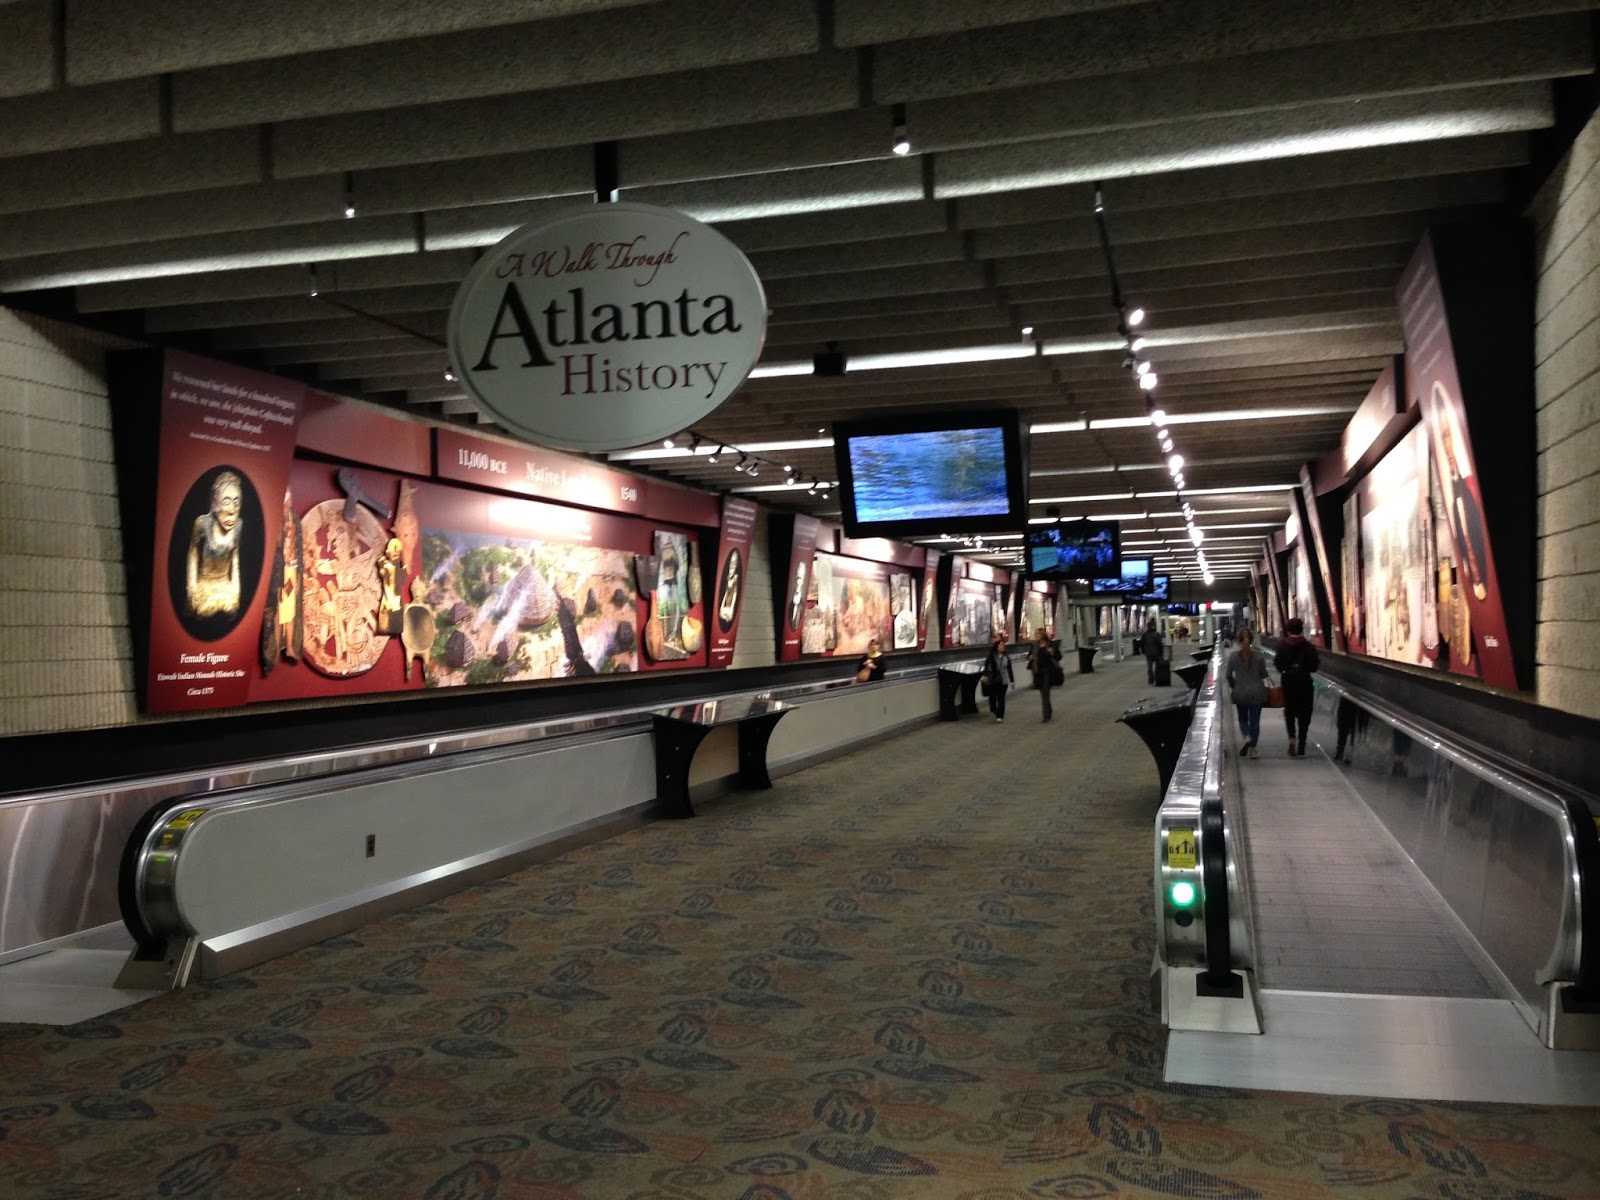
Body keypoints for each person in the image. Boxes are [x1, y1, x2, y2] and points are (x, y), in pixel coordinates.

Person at [1274, 617, 1321, 757]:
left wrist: (1285, 669)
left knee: (1289, 711)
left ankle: (1292, 738)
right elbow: (1314, 666)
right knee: (1304, 713)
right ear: (1301, 629)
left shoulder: (1282, 645)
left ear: (1288, 630)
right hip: (1304, 681)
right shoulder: (1308, 646)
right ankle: (1302, 745)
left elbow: (1278, 663)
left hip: (1288, 681)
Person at [1224, 629, 1269, 759]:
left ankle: (1246, 736)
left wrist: (1234, 685)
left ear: (1238, 641)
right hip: (1257, 692)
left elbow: (1228, 675)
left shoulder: (1233, 657)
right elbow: (1263, 674)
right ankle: (1254, 749)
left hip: (1240, 692)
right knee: (1255, 721)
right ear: (1252, 640)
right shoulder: (1259, 656)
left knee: (1243, 718)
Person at [1027, 628, 1063, 722]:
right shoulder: (1034, 645)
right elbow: (1029, 656)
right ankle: (1049, 710)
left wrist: (1052, 652)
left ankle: (1045, 715)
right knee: (1043, 693)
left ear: (1043, 634)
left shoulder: (1050, 644)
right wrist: (1030, 657)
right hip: (1038, 671)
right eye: (1036, 634)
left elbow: (1059, 657)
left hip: (1048, 671)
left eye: (1038, 634)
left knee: (1046, 691)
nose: (1037, 635)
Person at [983, 633, 1014, 722]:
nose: (1003, 646)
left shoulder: (1006, 658)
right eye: (1001, 645)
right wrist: (985, 675)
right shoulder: (991, 656)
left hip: (1003, 681)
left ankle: (1000, 715)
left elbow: (1009, 669)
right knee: (992, 699)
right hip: (993, 680)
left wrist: (1012, 681)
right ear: (996, 646)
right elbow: (986, 666)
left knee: (1001, 698)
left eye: (1003, 645)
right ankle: (994, 711)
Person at [1137, 618, 1164, 685]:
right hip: (1156, 653)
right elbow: (1160, 645)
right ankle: (1156, 678)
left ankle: (1151, 679)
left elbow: (1141, 644)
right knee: (1157, 666)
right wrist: (1161, 653)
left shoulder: (1145, 635)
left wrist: (1143, 651)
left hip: (1148, 653)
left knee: (1149, 667)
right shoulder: (1157, 634)